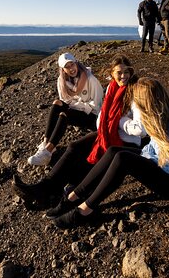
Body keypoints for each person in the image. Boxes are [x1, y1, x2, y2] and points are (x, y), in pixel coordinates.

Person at [48, 77, 169, 229]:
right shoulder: (165, 112)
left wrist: (156, 165)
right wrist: (150, 158)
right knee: (113, 151)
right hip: (167, 165)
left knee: (123, 159)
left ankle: (85, 210)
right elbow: (157, 147)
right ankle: (73, 196)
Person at [13, 55, 145, 205]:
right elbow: (103, 112)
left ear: (131, 71)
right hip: (106, 132)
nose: (123, 76)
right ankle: (41, 188)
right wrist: (106, 120)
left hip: (126, 141)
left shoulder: (136, 92)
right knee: (74, 147)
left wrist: (117, 121)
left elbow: (141, 129)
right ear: (112, 74)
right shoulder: (112, 87)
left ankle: (63, 192)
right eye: (119, 73)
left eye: (126, 72)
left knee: (86, 164)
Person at [27, 52, 104, 166]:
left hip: (91, 115)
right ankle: (46, 143)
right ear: (62, 69)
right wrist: (75, 105)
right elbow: (64, 100)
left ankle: (47, 152)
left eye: (72, 64)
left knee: (65, 114)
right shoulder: (62, 81)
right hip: (76, 108)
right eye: (67, 67)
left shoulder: (90, 79)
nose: (71, 69)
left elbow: (97, 105)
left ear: (76, 63)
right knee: (57, 103)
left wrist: (77, 106)